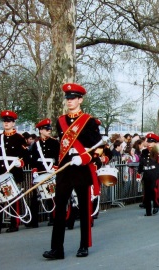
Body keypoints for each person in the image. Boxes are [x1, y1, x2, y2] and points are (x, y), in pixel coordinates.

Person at [43, 83, 102, 259]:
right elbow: (61, 145)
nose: (69, 101)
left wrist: (83, 158)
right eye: (67, 98)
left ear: (80, 100)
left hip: (81, 168)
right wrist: (57, 164)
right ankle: (57, 249)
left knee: (84, 209)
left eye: (73, 98)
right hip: (65, 168)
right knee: (59, 208)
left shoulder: (89, 121)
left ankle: (84, 245)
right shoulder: (60, 121)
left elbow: (98, 148)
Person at [0, 110, 28, 234]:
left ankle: (14, 223)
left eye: (9, 121)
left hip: (14, 171)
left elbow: (25, 155)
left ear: (13, 123)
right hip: (1, 170)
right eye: (4, 121)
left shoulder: (19, 138)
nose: (6, 123)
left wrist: (20, 163)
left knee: (13, 198)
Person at [29, 118, 60, 228]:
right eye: (46, 129)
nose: (49, 131)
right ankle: (34, 221)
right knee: (35, 198)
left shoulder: (54, 142)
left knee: (51, 195)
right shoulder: (35, 144)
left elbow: (57, 156)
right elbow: (32, 158)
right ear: (40, 130)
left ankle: (53, 218)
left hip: (50, 170)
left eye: (49, 129)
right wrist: (34, 170)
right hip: (40, 170)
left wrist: (55, 167)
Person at [137, 133, 159, 216]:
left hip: (154, 173)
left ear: (155, 143)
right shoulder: (144, 151)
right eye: (148, 141)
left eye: (151, 142)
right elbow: (141, 163)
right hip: (146, 173)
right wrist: (139, 172)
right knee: (147, 192)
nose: (149, 143)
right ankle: (148, 211)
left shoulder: (158, 151)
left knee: (154, 190)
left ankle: (156, 205)